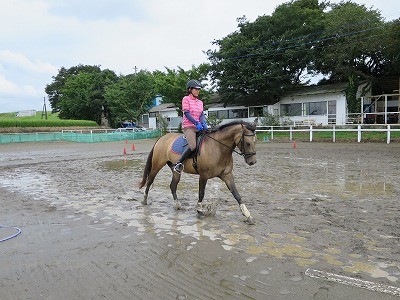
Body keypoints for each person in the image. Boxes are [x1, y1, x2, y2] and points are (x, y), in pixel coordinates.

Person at [173, 79, 208, 174]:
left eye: (198, 89)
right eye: (196, 89)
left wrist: (204, 123)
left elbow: (201, 115)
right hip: (189, 127)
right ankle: (178, 163)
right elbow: (187, 114)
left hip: (199, 126)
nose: (198, 91)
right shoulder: (186, 99)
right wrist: (196, 123)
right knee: (193, 146)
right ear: (190, 89)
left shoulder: (200, 102)